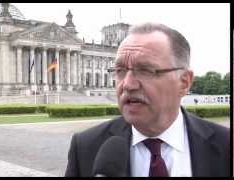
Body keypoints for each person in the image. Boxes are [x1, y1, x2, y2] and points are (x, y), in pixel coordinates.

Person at [65, 23, 229, 177]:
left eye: (145, 70)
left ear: (184, 82)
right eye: (120, 70)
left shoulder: (227, 145)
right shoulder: (86, 146)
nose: (127, 84)